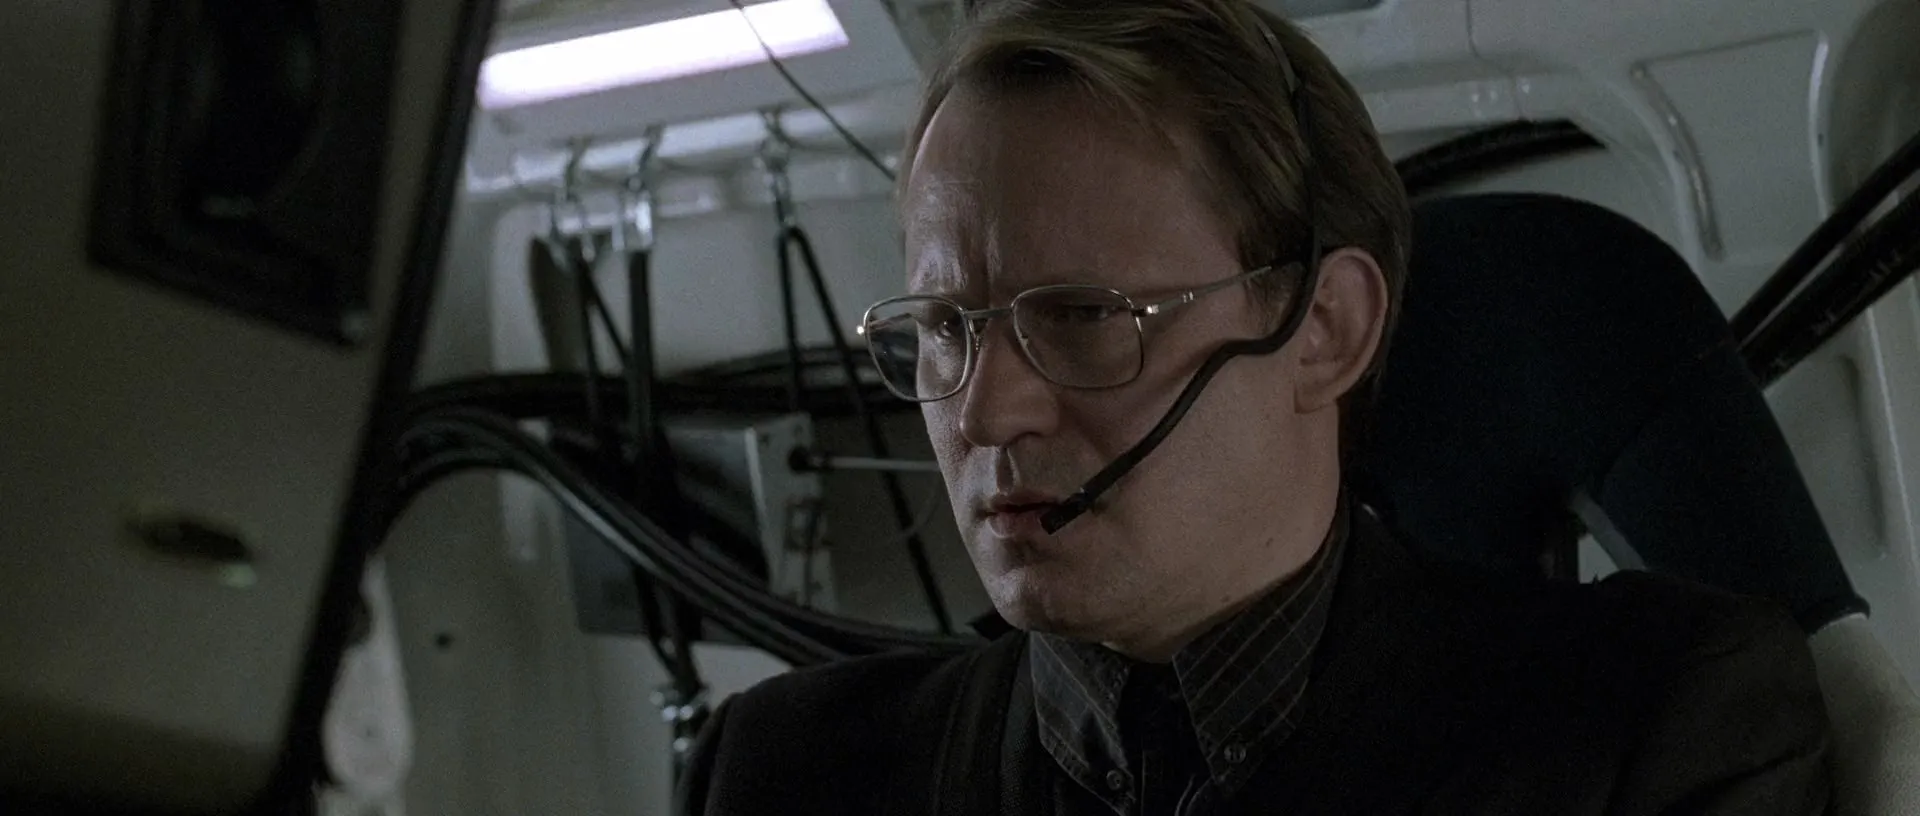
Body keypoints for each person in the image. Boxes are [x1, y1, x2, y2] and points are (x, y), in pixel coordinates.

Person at [675, 0, 1834, 813]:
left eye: (1082, 316)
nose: (984, 414)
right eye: (945, 328)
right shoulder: (784, 774)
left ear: (1325, 329)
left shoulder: (1654, 728)